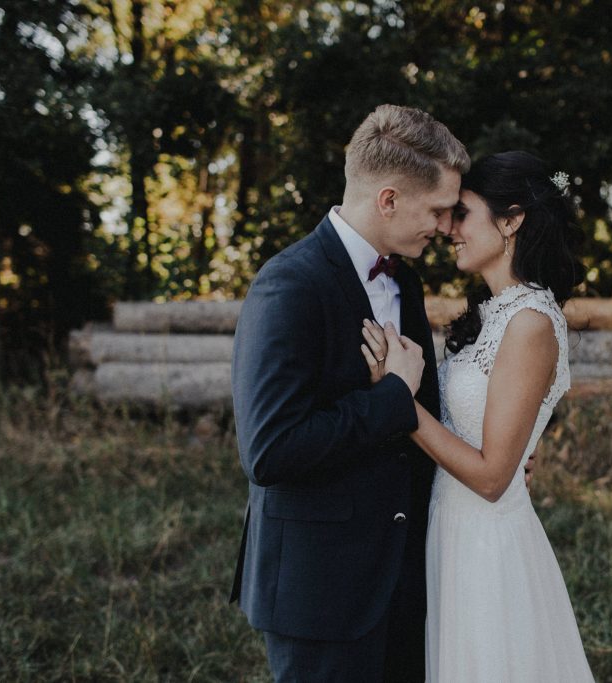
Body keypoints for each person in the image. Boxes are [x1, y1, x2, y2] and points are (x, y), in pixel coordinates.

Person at [229, 104, 470, 681]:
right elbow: (269, 451)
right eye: (437, 210)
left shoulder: (403, 280)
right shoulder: (289, 284)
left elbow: (422, 416)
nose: (444, 226)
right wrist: (388, 398)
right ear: (388, 199)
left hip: (402, 578)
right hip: (320, 591)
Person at [361, 151, 596, 681]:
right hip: (451, 533)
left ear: (512, 220)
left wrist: (400, 400)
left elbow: (492, 478)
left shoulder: (531, 321)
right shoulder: (495, 314)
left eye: (462, 213)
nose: (449, 229)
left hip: (487, 549)